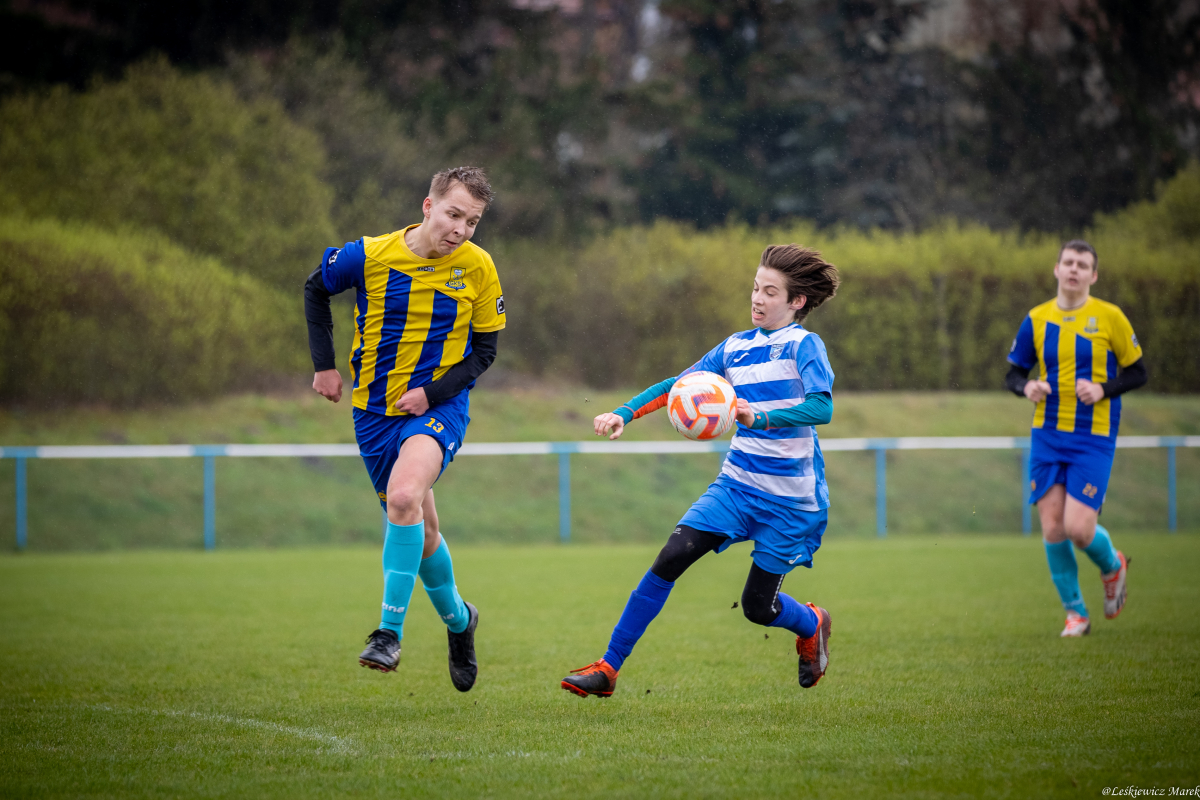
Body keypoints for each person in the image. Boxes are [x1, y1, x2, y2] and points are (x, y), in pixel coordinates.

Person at [560, 244, 840, 698]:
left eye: (770, 292)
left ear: (797, 301)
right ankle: (608, 668)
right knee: (671, 556)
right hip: (737, 486)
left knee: (757, 606)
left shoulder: (804, 345)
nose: (757, 298)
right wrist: (623, 413)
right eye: (755, 287)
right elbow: (678, 385)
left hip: (791, 501)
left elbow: (821, 408)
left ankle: (811, 622)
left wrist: (760, 417)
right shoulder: (735, 347)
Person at [304, 166, 506, 690]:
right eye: (454, 214)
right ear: (428, 206)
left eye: (472, 221)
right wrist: (325, 366)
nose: (461, 229)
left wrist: (430, 394)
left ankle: (387, 635)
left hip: (439, 408)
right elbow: (314, 289)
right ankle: (460, 621)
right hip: (373, 413)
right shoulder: (370, 255)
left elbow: (484, 352)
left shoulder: (479, 267)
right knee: (422, 528)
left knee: (402, 496)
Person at [1005, 239, 1147, 637]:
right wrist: (1026, 387)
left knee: (1080, 530)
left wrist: (1103, 389)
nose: (1073, 269)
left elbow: (1138, 373)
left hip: (1093, 436)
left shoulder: (1110, 317)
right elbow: (1013, 373)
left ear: (1093, 275)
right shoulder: (1036, 318)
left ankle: (1113, 566)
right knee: (1053, 527)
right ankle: (1076, 614)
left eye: (1082, 265)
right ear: (1056, 269)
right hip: (1047, 434)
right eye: (1068, 262)